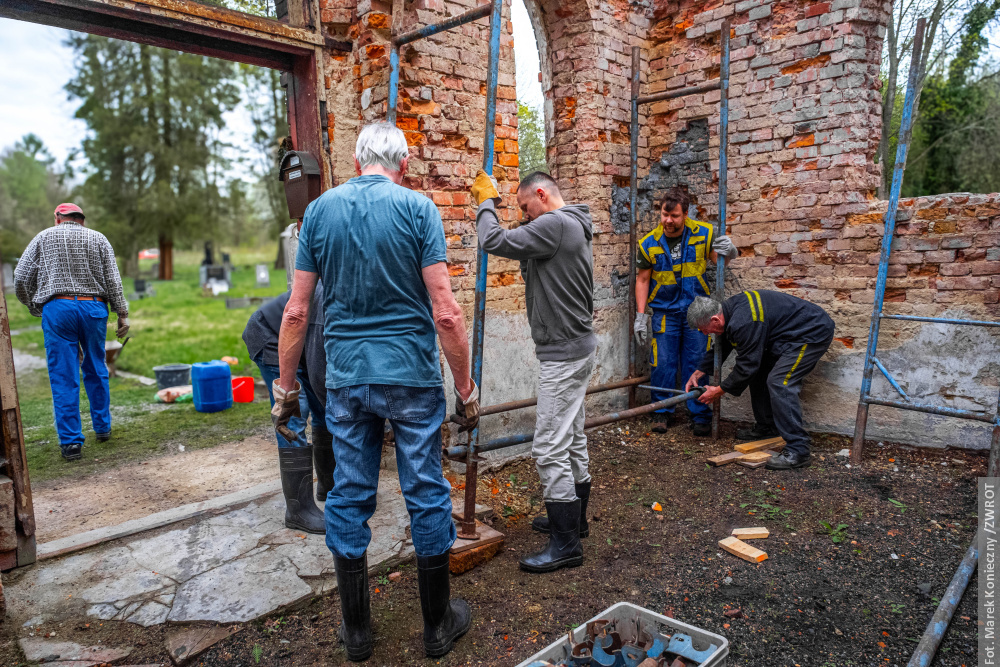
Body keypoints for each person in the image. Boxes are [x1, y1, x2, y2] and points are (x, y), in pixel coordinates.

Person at [273, 122, 479, 661]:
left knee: (349, 491)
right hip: (410, 374)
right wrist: (466, 387)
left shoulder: (318, 213)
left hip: (345, 377)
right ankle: (437, 627)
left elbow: (296, 310)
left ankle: (357, 633)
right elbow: (447, 313)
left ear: (357, 159)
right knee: (425, 489)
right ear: (403, 165)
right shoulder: (418, 210)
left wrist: (286, 388)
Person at [470, 169, 596, 574]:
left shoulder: (555, 224)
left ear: (541, 194)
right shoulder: (571, 223)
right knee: (571, 436)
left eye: (526, 207)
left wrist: (485, 204)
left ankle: (566, 547)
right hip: (576, 348)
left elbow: (493, 241)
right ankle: (574, 523)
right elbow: (526, 257)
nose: (525, 216)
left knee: (547, 447)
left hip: (564, 355)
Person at [14, 203, 129, 461]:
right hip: (94, 308)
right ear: (81, 220)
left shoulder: (42, 237)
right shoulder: (98, 238)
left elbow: (20, 277)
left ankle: (71, 444)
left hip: (58, 307)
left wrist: (35, 306)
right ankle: (103, 428)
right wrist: (122, 313)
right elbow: (113, 279)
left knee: (64, 374)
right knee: (96, 367)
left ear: (58, 218)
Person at [683, 291, 835, 470]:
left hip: (810, 334)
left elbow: (747, 365)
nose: (704, 332)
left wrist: (719, 390)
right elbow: (724, 342)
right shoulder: (729, 311)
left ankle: (799, 451)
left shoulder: (745, 321)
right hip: (786, 337)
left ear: (715, 319)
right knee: (759, 375)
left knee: (780, 383)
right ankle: (768, 428)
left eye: (703, 329)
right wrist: (701, 370)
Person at [633, 188, 738, 436]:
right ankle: (661, 412)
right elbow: (642, 279)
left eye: (674, 216)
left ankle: (700, 414)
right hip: (664, 311)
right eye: (664, 215)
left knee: (697, 362)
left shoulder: (704, 233)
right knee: (662, 363)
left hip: (697, 312)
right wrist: (640, 316)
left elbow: (718, 260)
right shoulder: (648, 243)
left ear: (685, 213)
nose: (668, 221)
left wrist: (730, 252)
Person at [243, 286, 333, 534]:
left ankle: (329, 486)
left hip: (303, 342)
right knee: (293, 416)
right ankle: (298, 510)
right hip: (271, 336)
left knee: (325, 410)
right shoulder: (331, 306)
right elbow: (320, 368)